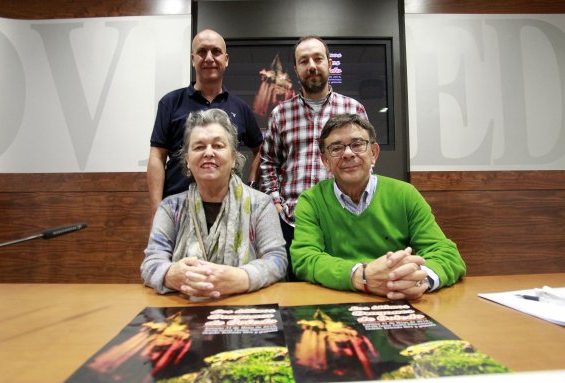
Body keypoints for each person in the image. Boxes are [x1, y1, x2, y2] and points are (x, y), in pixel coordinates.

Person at [290, 114, 466, 300]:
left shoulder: (405, 194)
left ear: (374, 153)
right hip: (336, 301)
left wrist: (419, 279)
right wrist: (361, 276)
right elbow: (304, 259)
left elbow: (448, 256)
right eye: (336, 148)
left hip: (397, 299)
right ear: (326, 161)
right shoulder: (311, 201)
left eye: (357, 144)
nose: (348, 153)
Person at [141, 109, 287, 298]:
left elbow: (277, 260)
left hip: (244, 309)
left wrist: (243, 277)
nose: (208, 153)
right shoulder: (171, 208)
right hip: (183, 309)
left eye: (218, 146)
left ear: (234, 158)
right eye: (199, 147)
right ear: (187, 160)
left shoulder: (260, 204)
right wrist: (171, 274)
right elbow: (151, 263)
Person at [259, 35, 368, 280]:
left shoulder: (353, 110)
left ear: (329, 63)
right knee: (293, 296)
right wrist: (276, 204)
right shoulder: (281, 114)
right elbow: (268, 163)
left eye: (318, 59)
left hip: (343, 220)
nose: (312, 66)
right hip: (291, 223)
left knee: (340, 287)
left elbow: (366, 161)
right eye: (304, 60)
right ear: (296, 69)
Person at [148, 29, 263, 214]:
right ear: (193, 59)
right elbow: (157, 157)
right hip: (178, 209)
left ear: (226, 60)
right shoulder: (170, 102)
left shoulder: (240, 107)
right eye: (202, 52)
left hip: (229, 210)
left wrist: (251, 183)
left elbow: (260, 149)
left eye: (216, 51)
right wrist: (156, 211)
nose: (209, 58)